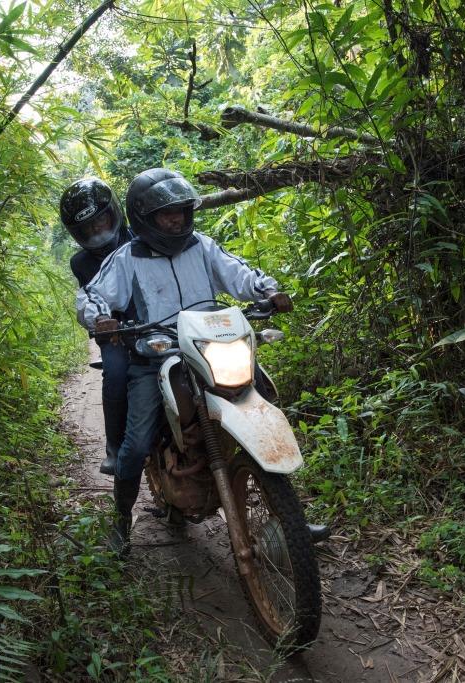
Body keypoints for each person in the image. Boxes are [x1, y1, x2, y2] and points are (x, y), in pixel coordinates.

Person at [76, 168, 293, 554]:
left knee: (264, 402)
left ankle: (291, 518)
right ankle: (122, 521)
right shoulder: (128, 257)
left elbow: (239, 273)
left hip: (210, 349)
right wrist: (101, 318)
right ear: (145, 218)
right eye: (166, 213)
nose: (176, 219)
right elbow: (92, 297)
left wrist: (269, 290)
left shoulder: (202, 246)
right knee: (137, 442)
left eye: (180, 210)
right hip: (155, 357)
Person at [60, 178, 132, 476]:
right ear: (78, 233)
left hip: (164, 318)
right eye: (88, 227)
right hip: (117, 332)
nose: (97, 229)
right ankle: (114, 449)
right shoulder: (81, 262)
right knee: (115, 373)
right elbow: (90, 298)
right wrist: (102, 321)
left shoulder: (142, 236)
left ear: (112, 212)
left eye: (100, 219)